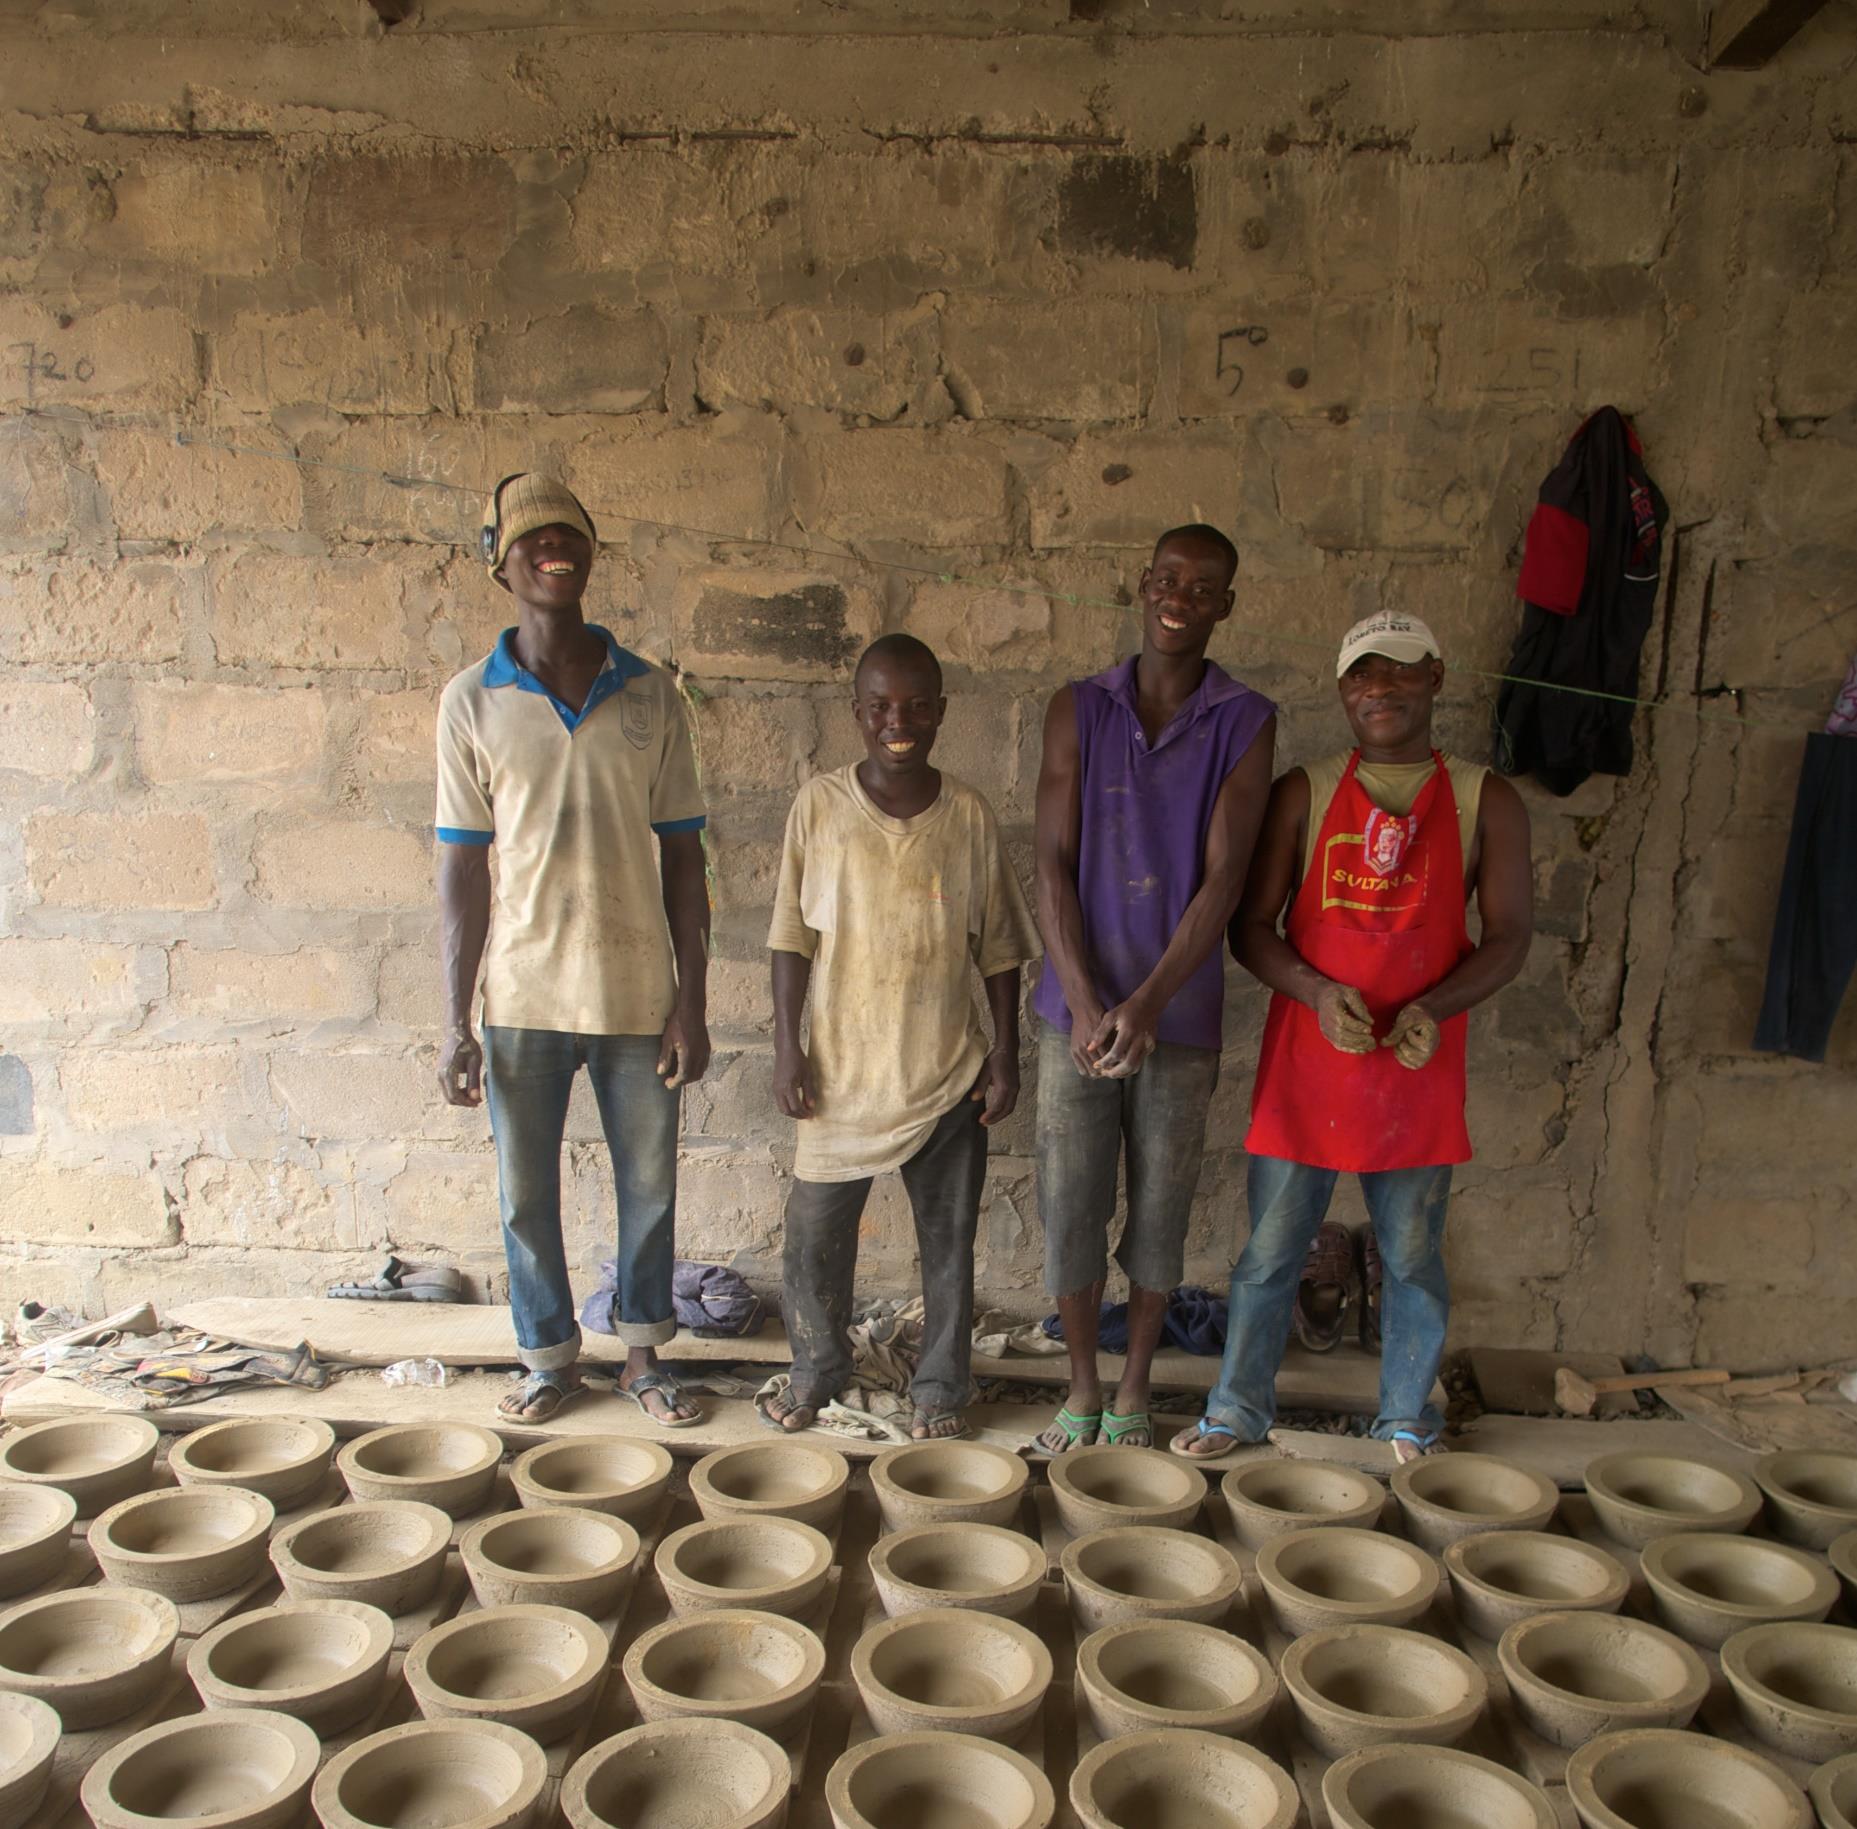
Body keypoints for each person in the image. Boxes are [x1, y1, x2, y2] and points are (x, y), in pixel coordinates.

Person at [1177, 609, 1534, 1465]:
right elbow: (1252, 927)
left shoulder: (1486, 799)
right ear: (1342, 688)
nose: (1380, 687)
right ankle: (1236, 1411)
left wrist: (1433, 1009)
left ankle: (1406, 1416)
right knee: (1269, 1252)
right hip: (1310, 1055)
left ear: (1436, 676)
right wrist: (1313, 988)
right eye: (1362, 673)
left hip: (1415, 1060)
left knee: (1410, 1254)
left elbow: (1510, 935)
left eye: (1401, 670)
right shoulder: (1304, 790)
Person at [434, 473, 711, 1428]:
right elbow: (460, 873)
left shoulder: (650, 696)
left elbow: (685, 859)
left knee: (649, 1184)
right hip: (520, 993)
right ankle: (548, 1356)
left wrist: (693, 1001)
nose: (553, 551)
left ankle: (642, 1356)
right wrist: (454, 1019)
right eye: (530, 540)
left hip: (635, 990)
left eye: (570, 536)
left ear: (591, 554)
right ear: (499, 563)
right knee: (525, 1196)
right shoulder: (471, 702)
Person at [1031, 525, 1277, 1454]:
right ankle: (1083, 1385)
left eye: (1204, 585)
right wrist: (1090, 1001)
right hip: (1074, 1018)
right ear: (1141, 585)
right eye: (1168, 578)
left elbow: (1223, 879)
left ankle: (1135, 1384)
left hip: (1179, 1018)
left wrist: (1147, 1002)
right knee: (1070, 1203)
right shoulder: (1080, 706)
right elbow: (1050, 860)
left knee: (1161, 1210)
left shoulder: (1245, 720)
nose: (1182, 595)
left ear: (1224, 605)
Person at [765, 634, 1038, 1441]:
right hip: (839, 1076)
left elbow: (999, 948)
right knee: (814, 1236)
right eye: (881, 705)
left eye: (917, 705)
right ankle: (817, 1368)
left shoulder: (967, 815)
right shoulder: (819, 806)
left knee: (947, 1243)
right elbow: (789, 939)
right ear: (856, 713)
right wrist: (788, 1046)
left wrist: (1004, 1053)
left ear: (941, 713)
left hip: (944, 1071)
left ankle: (941, 1387)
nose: (899, 721)